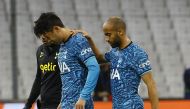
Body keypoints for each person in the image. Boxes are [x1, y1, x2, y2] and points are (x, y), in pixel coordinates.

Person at [84, 16, 159, 109]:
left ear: (120, 32)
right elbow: (99, 59)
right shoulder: (114, 51)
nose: (106, 39)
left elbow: (151, 84)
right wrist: (90, 40)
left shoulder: (137, 53)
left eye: (108, 34)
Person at [33, 12, 100, 109]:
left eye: (48, 36)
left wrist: (83, 97)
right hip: (67, 104)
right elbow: (67, 78)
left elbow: (94, 68)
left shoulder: (78, 40)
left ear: (56, 29)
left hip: (80, 105)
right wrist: (63, 100)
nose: (48, 40)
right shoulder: (62, 46)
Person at [23, 35, 62, 108]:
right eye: (40, 34)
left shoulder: (64, 49)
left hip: (61, 103)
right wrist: (28, 103)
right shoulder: (40, 50)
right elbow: (39, 78)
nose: (43, 37)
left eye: (45, 33)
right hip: (44, 103)